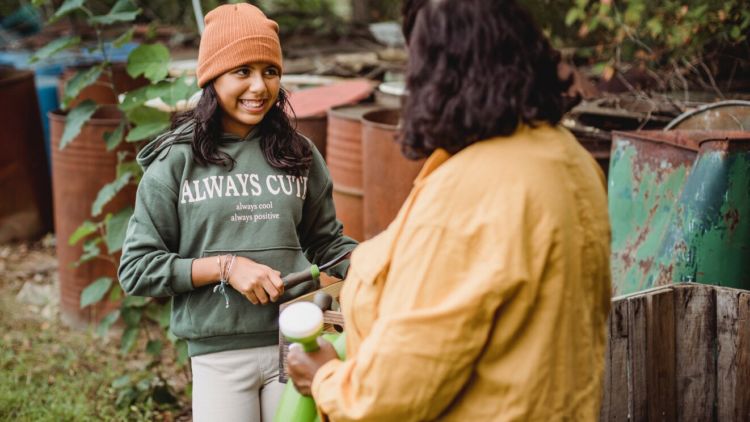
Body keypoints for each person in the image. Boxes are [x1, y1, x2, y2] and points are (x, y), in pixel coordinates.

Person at [286, 0, 612, 420]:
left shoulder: (470, 193)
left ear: (437, 75)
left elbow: (396, 391)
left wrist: (325, 379)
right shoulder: (572, 160)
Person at [117, 4, 357, 421]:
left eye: (270, 71)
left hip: (295, 341)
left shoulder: (298, 154)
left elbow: (327, 243)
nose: (259, 86)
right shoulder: (177, 161)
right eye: (242, 71)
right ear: (213, 78)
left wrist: (380, 263)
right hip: (219, 355)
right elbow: (137, 268)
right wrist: (225, 267)